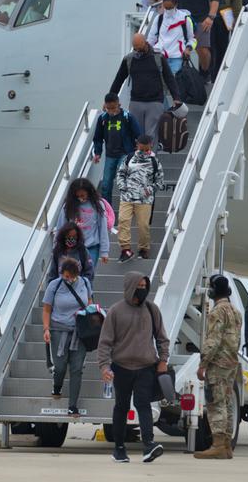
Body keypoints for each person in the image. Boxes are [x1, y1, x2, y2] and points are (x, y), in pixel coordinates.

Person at [98, 271, 170, 464]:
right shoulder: (115, 311)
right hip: (121, 367)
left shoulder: (152, 309)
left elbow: (162, 338)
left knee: (143, 405)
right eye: (138, 286)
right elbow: (105, 342)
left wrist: (163, 360)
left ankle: (149, 445)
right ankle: (119, 449)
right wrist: (104, 367)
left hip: (146, 367)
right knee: (121, 407)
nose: (142, 289)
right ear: (129, 287)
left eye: (144, 286)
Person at [194, 274, 243, 459]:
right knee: (228, 403)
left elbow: (213, 341)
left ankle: (218, 445)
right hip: (231, 363)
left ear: (213, 290)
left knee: (215, 403)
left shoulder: (217, 312)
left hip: (217, 364)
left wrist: (203, 364)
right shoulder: (236, 312)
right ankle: (227, 445)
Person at [109, 33, 182, 147]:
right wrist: (110, 100)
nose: (138, 51)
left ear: (146, 43)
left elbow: (169, 78)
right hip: (136, 102)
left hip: (155, 102)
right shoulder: (129, 59)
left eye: (140, 48)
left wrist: (176, 97)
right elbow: (118, 79)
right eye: (135, 49)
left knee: (151, 136)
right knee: (136, 136)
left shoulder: (158, 58)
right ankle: (139, 161)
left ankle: (150, 162)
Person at [43, 258, 93, 417]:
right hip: (58, 329)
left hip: (80, 331)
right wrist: (46, 329)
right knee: (60, 366)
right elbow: (46, 309)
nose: (69, 279)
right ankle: (57, 386)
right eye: (66, 276)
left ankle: (73, 406)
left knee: (77, 369)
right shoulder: (54, 285)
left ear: (77, 274)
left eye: (72, 277)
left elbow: (90, 302)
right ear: (61, 274)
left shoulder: (85, 282)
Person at [166, 0, 220, 83]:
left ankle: (205, 73)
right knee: (178, 48)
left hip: (201, 19)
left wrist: (210, 17)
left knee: (202, 50)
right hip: (181, 19)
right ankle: (178, 76)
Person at [116, 135, 165, 262]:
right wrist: (122, 186)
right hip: (127, 196)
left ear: (150, 145)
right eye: (141, 148)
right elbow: (121, 173)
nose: (143, 150)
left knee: (143, 225)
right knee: (123, 221)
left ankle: (144, 248)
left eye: (145, 148)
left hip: (144, 199)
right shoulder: (129, 158)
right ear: (137, 145)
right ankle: (125, 249)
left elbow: (160, 182)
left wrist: (149, 190)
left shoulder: (155, 162)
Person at [93, 93, 142, 205]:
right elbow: (98, 138)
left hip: (124, 154)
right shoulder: (103, 118)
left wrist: (140, 149)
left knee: (123, 181)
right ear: (105, 106)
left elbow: (138, 134)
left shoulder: (127, 117)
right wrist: (97, 153)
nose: (111, 111)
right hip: (110, 155)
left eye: (114, 108)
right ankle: (107, 210)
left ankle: (126, 207)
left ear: (119, 104)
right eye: (108, 108)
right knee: (105, 184)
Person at [55, 178, 110, 272]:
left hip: (91, 247)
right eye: (78, 196)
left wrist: (104, 251)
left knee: (88, 276)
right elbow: (61, 227)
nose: (81, 198)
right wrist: (56, 247)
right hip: (72, 248)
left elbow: (102, 228)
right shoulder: (68, 206)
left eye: (83, 195)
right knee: (73, 274)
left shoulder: (97, 204)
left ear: (89, 192)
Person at [207, 0, 242, 81]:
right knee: (208, 46)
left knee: (223, 46)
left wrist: (236, 18)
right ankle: (207, 75)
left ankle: (219, 76)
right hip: (208, 14)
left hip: (226, 13)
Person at [147, 0, 197, 75]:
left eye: (170, 8)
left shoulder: (185, 19)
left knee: (174, 84)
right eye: (166, 8)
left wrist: (188, 49)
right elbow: (151, 38)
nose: (168, 10)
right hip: (160, 56)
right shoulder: (159, 18)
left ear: (176, 4)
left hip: (177, 58)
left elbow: (192, 39)